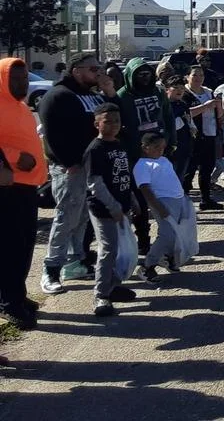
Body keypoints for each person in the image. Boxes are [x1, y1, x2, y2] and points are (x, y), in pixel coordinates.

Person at [37, 52, 119, 295]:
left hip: (91, 167)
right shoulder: (58, 95)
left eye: (99, 68)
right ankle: (50, 269)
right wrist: (69, 161)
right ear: (77, 71)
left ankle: (75, 262)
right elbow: (51, 134)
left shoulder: (93, 96)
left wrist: (108, 90)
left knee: (83, 217)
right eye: (93, 69)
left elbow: (114, 118)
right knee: (66, 218)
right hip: (70, 168)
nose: (99, 72)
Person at [0, 58, 48, 329]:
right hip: (7, 188)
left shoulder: (19, 106)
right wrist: (16, 157)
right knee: (9, 248)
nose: (22, 84)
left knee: (23, 245)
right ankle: (8, 302)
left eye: (24, 79)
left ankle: (17, 295)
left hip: (27, 187)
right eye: (15, 79)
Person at [117, 57, 176, 255]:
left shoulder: (158, 92)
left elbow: (168, 116)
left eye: (147, 73)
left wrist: (171, 141)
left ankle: (168, 237)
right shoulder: (122, 96)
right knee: (141, 202)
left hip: (161, 154)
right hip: (136, 157)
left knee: (166, 196)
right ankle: (143, 240)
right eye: (139, 74)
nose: (144, 77)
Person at [84, 103, 139, 316]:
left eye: (117, 120)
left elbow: (124, 175)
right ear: (97, 123)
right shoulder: (95, 149)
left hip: (122, 206)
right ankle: (101, 295)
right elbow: (95, 184)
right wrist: (113, 206)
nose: (114, 125)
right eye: (108, 121)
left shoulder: (119, 144)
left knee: (120, 250)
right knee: (108, 251)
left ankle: (112, 285)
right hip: (104, 209)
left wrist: (131, 198)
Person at [133, 132, 187, 284]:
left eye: (162, 147)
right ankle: (147, 266)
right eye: (156, 147)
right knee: (167, 235)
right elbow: (145, 188)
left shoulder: (164, 160)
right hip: (162, 202)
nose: (160, 150)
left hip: (177, 199)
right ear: (145, 147)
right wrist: (158, 206)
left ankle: (166, 258)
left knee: (177, 233)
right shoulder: (142, 165)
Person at [183, 66, 222, 210]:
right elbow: (185, 113)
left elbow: (218, 113)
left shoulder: (208, 92)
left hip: (210, 134)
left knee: (207, 168)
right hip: (193, 137)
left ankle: (206, 199)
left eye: (201, 75)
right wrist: (205, 107)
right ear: (187, 77)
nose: (198, 78)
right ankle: (184, 201)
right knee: (190, 170)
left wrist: (219, 106)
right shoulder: (185, 93)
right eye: (195, 75)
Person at [165, 76, 196, 183]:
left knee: (180, 177)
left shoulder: (183, 104)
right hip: (170, 149)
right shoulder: (164, 105)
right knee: (170, 178)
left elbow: (189, 120)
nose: (179, 91)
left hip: (185, 146)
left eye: (182, 88)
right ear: (167, 89)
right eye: (176, 87)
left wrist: (192, 127)